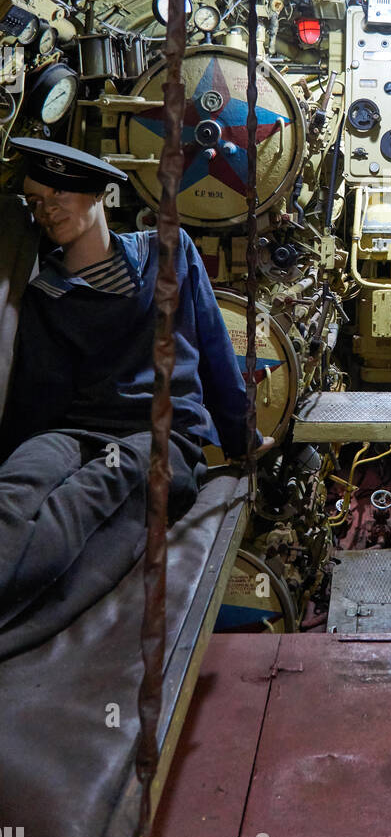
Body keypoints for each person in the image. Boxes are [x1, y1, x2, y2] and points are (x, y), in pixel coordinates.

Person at [0, 137, 271, 637]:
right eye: (38, 201)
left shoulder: (168, 253)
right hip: (75, 433)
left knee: (85, 498)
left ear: (99, 195)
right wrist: (23, 450)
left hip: (157, 437)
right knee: (16, 488)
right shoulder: (48, 293)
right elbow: (38, 399)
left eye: (60, 194)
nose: (48, 210)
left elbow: (215, 351)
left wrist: (243, 439)